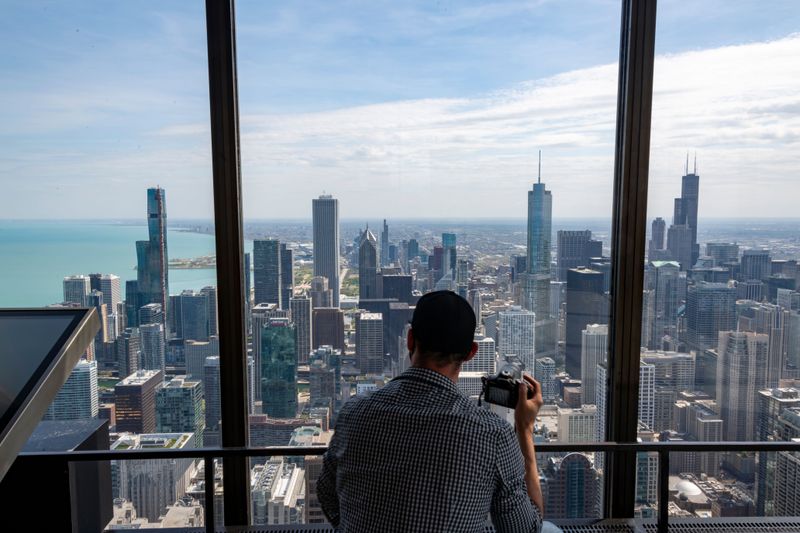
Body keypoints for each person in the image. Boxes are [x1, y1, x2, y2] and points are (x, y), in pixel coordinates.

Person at [318, 290, 556, 532]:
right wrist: (524, 428)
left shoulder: (354, 412)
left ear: (410, 340)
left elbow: (326, 494)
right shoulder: (492, 434)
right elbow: (526, 529)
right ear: (471, 353)